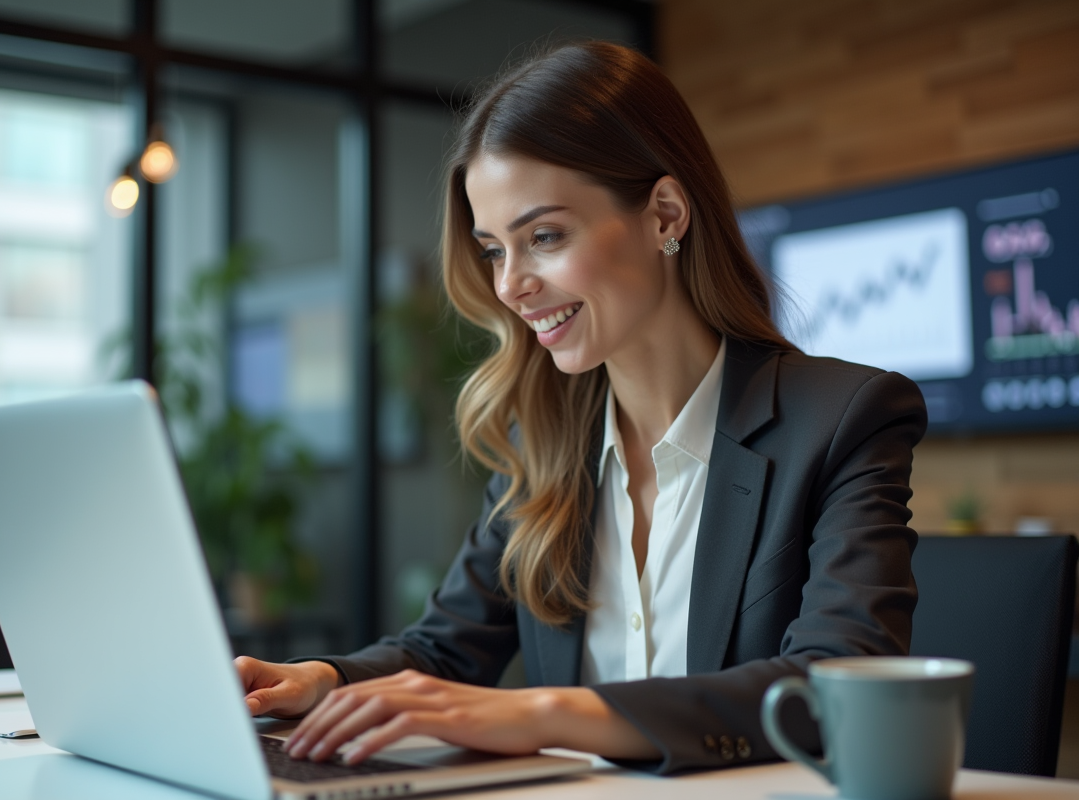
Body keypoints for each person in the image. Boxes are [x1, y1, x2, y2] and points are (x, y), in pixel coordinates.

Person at [234, 41, 927, 773]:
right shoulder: (540, 439)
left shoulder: (845, 419)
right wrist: (324, 681)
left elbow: (839, 683)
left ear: (664, 215)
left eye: (543, 237)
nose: (510, 286)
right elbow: (447, 649)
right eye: (494, 250)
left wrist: (544, 711)